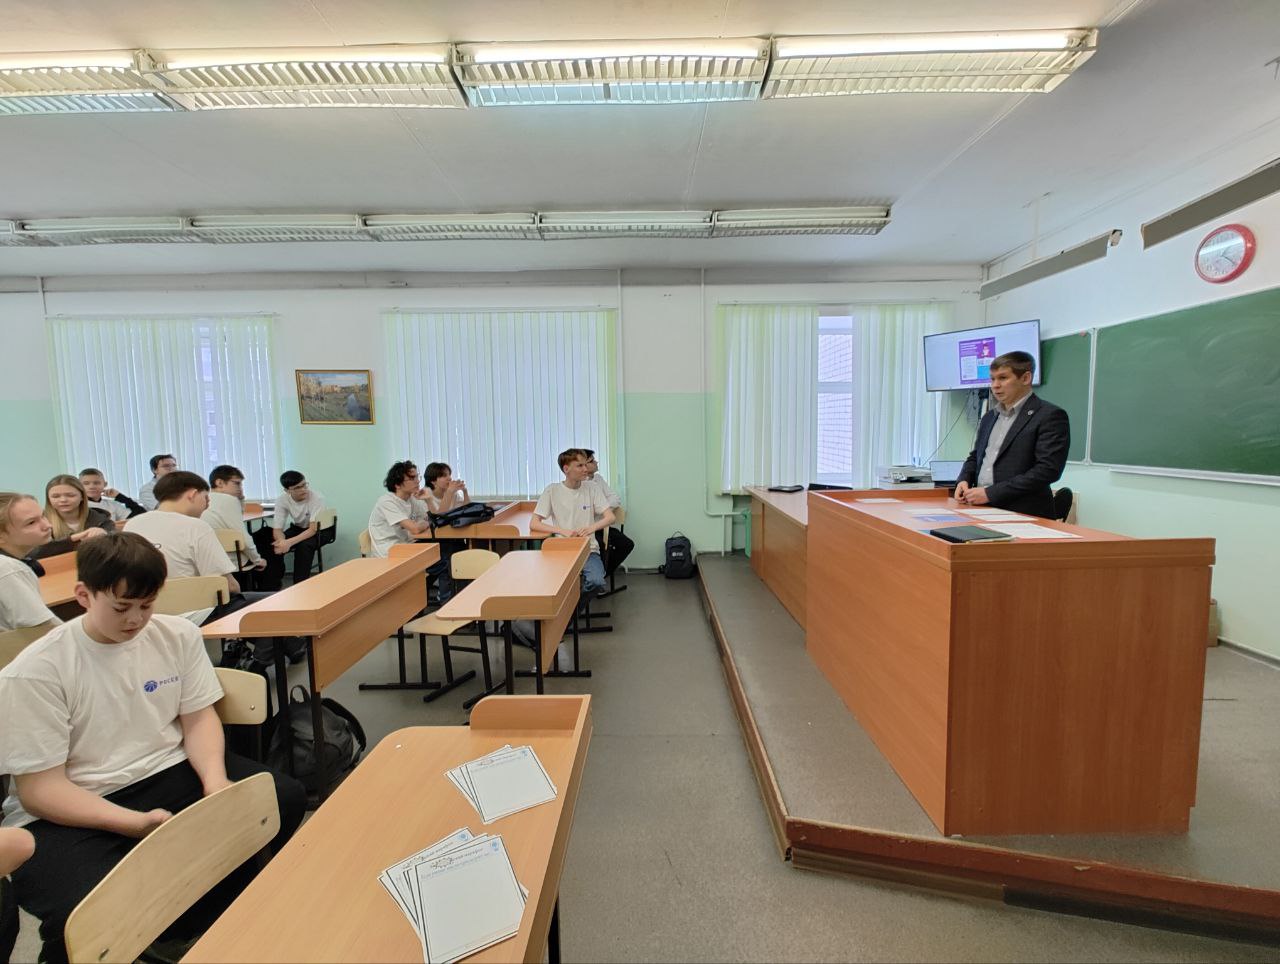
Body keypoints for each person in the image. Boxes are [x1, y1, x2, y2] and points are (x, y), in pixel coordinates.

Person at [0, 532, 306, 964]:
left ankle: (181, 927)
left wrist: (215, 781)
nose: (135, 620)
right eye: (121, 607)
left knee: (282, 798)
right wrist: (132, 823)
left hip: (166, 768)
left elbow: (198, 718)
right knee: (87, 914)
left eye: (147, 605)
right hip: (71, 805)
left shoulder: (176, 634)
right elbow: (39, 791)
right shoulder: (36, 671)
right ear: (84, 596)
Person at [954, 350, 1070, 519]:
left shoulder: (1049, 415)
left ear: (1025, 378)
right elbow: (976, 456)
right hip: (981, 508)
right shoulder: (989, 417)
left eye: (1003, 378)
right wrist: (964, 479)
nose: (995, 385)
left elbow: (1047, 470)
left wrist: (991, 493)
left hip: (1024, 513)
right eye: (992, 379)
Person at [530, 448, 614, 594]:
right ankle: (570, 606)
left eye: (585, 464)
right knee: (554, 586)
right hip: (562, 549)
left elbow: (610, 517)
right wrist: (562, 531)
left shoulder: (592, 488)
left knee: (597, 582)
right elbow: (534, 523)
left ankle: (575, 606)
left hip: (588, 549)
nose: (585, 469)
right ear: (566, 469)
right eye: (580, 466)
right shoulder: (552, 490)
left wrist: (591, 528)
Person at [0, 492, 60, 633]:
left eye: (43, 516)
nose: (47, 525)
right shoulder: (8, 569)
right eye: (31, 523)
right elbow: (46, 628)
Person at [257, 470, 328, 590]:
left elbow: (312, 530)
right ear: (287, 490)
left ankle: (299, 587)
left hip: (321, 530)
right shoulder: (282, 500)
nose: (303, 489)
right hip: (298, 528)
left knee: (303, 546)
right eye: (297, 487)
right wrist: (282, 542)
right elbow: (277, 529)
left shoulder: (317, 497)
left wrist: (289, 542)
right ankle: (271, 586)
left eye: (304, 485)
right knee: (273, 544)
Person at [201, 465, 267, 588]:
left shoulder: (203, 499)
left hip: (209, 562)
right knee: (266, 546)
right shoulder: (228, 500)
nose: (240, 488)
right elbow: (243, 537)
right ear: (219, 483)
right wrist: (258, 560)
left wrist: (240, 499)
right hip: (234, 562)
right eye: (237, 483)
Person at [420, 462, 470, 602]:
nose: (449, 478)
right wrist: (449, 493)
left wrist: (464, 492)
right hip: (431, 541)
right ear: (433, 481)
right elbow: (439, 519)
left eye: (449, 475)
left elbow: (467, 510)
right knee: (450, 561)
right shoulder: (425, 495)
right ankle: (447, 599)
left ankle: (461, 596)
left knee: (465, 554)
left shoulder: (452, 494)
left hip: (450, 539)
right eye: (444, 476)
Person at [581, 449, 633, 579]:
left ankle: (603, 574)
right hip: (586, 529)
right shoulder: (579, 483)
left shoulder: (598, 479)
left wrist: (601, 508)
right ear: (583, 465)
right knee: (600, 547)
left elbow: (615, 499)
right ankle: (594, 577)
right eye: (592, 461)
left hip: (603, 526)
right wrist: (600, 509)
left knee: (627, 544)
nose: (596, 462)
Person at [35, 475, 113, 559]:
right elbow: (32, 554)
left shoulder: (101, 519)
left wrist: (106, 535)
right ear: (49, 499)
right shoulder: (39, 522)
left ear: (82, 496)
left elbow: (116, 547)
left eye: (70, 495)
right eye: (56, 496)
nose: (63, 500)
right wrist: (71, 539)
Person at [366, 461, 432, 559]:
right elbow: (416, 528)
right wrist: (425, 523)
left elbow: (431, 518)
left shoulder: (411, 498)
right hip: (388, 552)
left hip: (407, 544)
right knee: (438, 555)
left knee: (441, 548)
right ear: (397, 484)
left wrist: (428, 499)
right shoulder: (387, 502)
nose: (417, 481)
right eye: (412, 478)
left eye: (417, 477)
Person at [78, 468, 145, 521]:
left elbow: (141, 516)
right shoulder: (77, 505)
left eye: (96, 483)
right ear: (79, 485)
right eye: (86, 483)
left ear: (105, 484)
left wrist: (120, 497)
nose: (92, 487)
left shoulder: (112, 505)